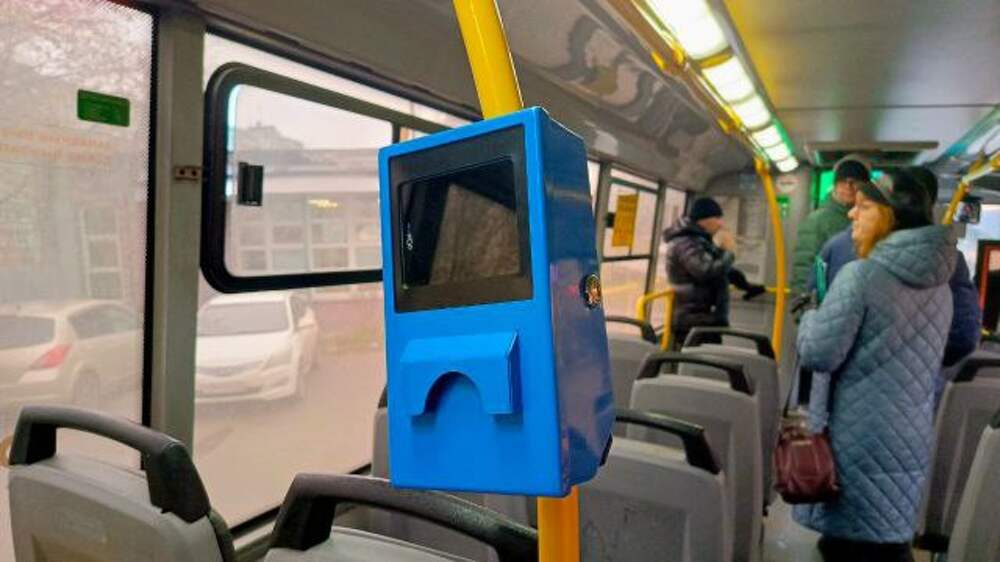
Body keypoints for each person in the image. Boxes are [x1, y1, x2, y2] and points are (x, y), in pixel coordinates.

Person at [793, 170, 957, 562]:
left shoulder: (861, 275)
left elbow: (818, 353)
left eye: (864, 207)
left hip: (858, 438)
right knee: (888, 542)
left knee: (845, 546)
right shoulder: (942, 285)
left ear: (890, 216)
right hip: (910, 435)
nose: (852, 214)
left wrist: (811, 316)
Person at [810, 166, 981, 405]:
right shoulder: (949, 262)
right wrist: (920, 366)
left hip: (849, 396)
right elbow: (963, 337)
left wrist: (809, 319)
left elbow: (818, 322)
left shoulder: (838, 251)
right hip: (920, 398)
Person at [664, 198, 739, 349]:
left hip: (703, 316)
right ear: (704, 219)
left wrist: (747, 285)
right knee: (696, 360)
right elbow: (705, 271)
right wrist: (729, 252)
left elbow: (721, 269)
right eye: (717, 218)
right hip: (693, 318)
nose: (721, 224)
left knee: (708, 358)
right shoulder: (686, 243)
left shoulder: (700, 240)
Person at [791, 157, 869, 291]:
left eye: (855, 182)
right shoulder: (818, 220)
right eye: (843, 181)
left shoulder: (870, 219)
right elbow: (806, 266)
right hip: (829, 296)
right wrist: (809, 298)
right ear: (835, 185)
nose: (848, 187)